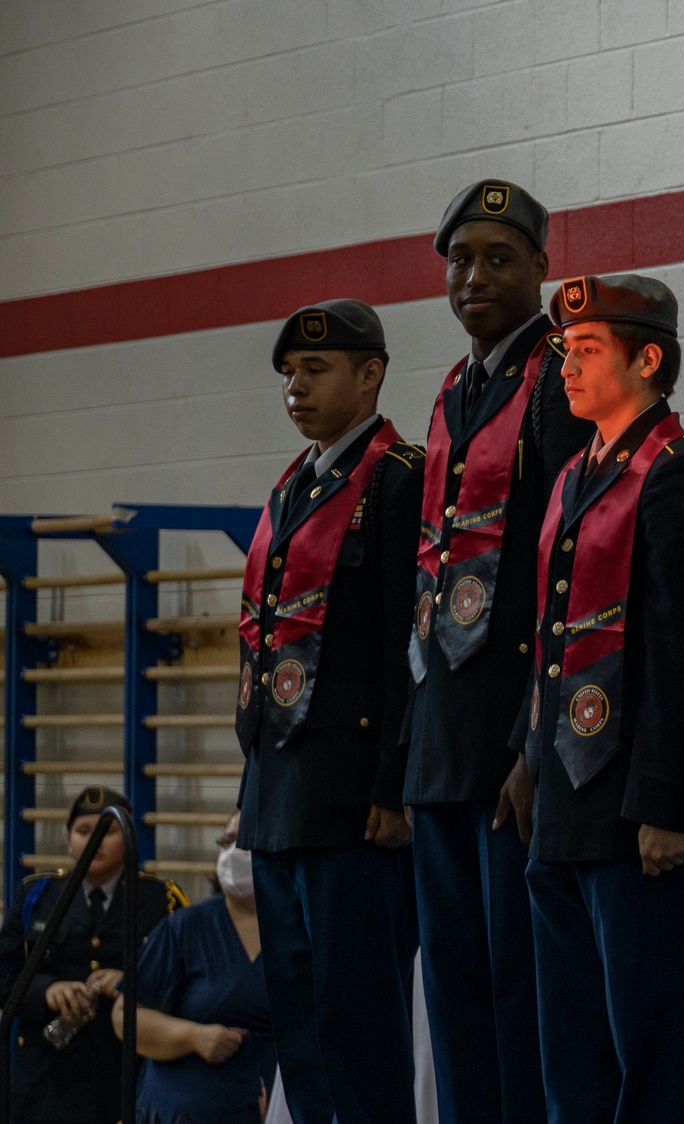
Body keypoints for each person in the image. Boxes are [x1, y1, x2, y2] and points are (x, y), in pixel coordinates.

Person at [515, 274, 684, 1122]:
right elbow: (554, 644)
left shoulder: (681, 475)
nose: (567, 365)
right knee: (570, 1049)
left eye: (588, 350)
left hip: (638, 815)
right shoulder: (575, 473)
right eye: (565, 350)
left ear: (648, 359)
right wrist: (530, 764)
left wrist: (668, 807)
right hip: (567, 808)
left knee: (647, 1046)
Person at [403, 178, 593, 1124]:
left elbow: (574, 579)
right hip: (441, 746)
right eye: (461, 259)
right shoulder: (452, 390)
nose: (474, 276)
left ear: (542, 270)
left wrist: (535, 744)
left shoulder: (560, 382)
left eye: (499, 258)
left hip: (514, 751)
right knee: (455, 1002)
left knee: (520, 1000)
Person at [239, 299, 424, 1124]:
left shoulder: (395, 481)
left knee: (359, 1022)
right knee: (299, 1018)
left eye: (315, 370)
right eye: (289, 374)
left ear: (371, 373)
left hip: (354, 803)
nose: (296, 389)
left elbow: (406, 650)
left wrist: (392, 781)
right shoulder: (293, 489)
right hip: (282, 797)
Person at [0, 787, 183, 1124]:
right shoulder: (36, 895)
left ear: (128, 839)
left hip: (126, 1072)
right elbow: (4, 975)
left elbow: (185, 981)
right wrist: (46, 990)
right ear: (69, 841)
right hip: (47, 1079)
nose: (94, 841)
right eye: (83, 831)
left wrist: (132, 982)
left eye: (107, 831)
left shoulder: (162, 899)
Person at [115, 812, 275, 1124]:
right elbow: (127, 1016)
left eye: (247, 841)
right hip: (183, 1109)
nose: (234, 852)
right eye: (227, 841)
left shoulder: (301, 930)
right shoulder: (185, 928)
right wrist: (192, 1036)